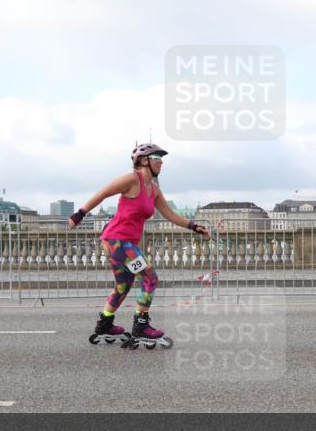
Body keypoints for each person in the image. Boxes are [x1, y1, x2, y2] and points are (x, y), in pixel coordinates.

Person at [68, 143, 210, 345]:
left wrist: (194, 226)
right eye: (157, 159)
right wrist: (79, 214)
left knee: (123, 286)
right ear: (144, 161)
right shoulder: (132, 179)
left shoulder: (154, 189)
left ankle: (105, 323)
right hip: (117, 241)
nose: (161, 163)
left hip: (122, 244)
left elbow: (170, 214)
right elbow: (103, 193)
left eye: (162, 160)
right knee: (150, 278)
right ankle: (141, 325)